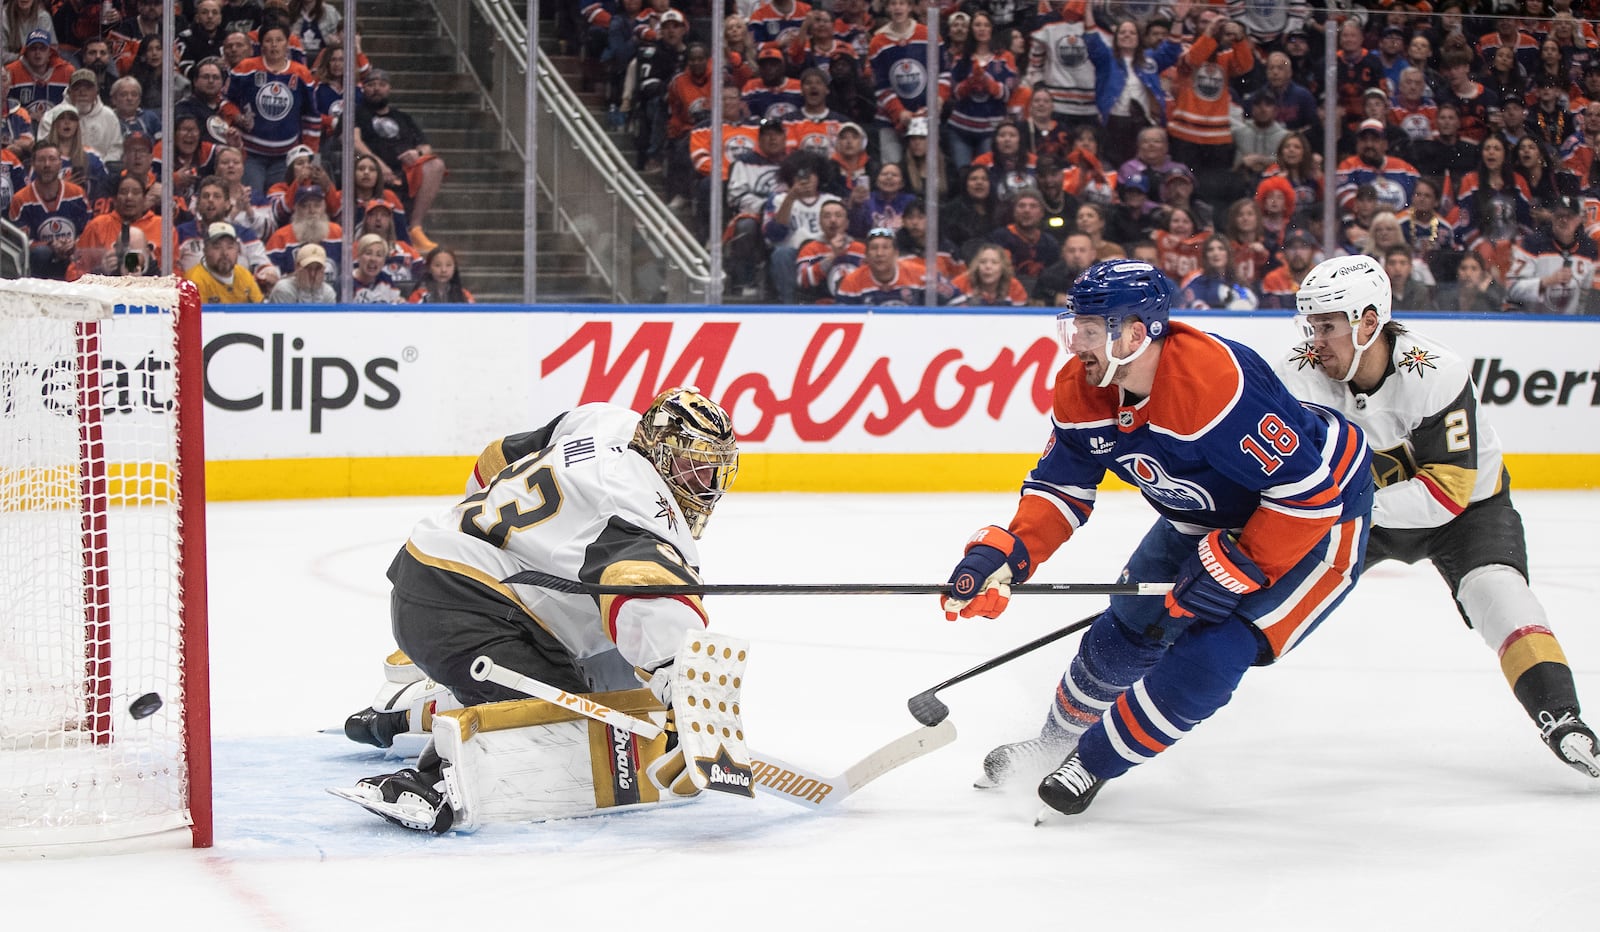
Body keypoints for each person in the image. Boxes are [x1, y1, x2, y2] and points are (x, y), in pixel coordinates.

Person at [942, 259, 1373, 819]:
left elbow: (1308, 495)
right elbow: (1061, 486)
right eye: (1075, 327)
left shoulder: (1212, 386)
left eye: (1092, 330)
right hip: (1205, 517)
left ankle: (1091, 763)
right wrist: (1007, 552)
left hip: (1321, 518)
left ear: (1137, 332)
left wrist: (1234, 567)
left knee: (1216, 650)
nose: (1078, 344)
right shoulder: (1082, 387)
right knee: (1125, 630)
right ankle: (1053, 744)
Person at [338, 388, 740, 832]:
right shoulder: (638, 509)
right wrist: (690, 697)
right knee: (568, 726)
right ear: (660, 454)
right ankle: (432, 782)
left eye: (712, 470)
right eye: (690, 467)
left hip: (460, 581)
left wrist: (480, 525)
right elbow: (646, 592)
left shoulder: (604, 422)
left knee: (627, 700)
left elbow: (495, 458)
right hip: (461, 608)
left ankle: (406, 711)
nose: (704, 484)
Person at [1276, 253, 1598, 778]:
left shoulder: (1435, 371)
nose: (1314, 339)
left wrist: (1331, 512)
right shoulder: (1295, 371)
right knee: (1259, 587)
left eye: (1328, 325)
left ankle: (1563, 719)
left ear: (1369, 323)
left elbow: (1448, 492)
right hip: (1357, 512)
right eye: (1310, 324)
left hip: (1466, 512)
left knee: (1500, 596)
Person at [352, 68, 446, 251]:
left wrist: (416, 154)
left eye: (382, 85)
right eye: (370, 85)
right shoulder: (356, 113)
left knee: (435, 164)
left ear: (389, 89)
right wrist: (379, 166)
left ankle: (415, 228)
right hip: (368, 166)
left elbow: (426, 147)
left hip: (403, 170)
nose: (376, 89)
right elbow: (352, 142)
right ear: (363, 89)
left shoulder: (402, 117)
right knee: (361, 161)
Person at [1507, 194, 1599, 314]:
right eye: (1559, 215)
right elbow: (1513, 289)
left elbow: (1588, 295)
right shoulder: (1532, 244)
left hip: (1573, 325)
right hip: (1534, 322)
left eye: (1570, 216)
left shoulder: (1589, 249)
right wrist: (1547, 281)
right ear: (1552, 217)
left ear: (1579, 219)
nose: (1564, 220)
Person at [186, 221, 264, 304]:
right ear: (205, 250)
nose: (225, 253)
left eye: (230, 247)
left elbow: (261, 310)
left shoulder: (244, 274)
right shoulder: (193, 282)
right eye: (217, 247)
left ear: (238, 249)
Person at [267, 241, 337, 303]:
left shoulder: (328, 292)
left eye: (317, 269)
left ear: (323, 270)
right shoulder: (284, 289)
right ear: (297, 267)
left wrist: (316, 289)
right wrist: (305, 289)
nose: (312, 274)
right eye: (308, 268)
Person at [408, 245, 476, 304]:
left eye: (448, 265)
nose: (443, 270)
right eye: (437, 265)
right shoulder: (418, 296)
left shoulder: (465, 296)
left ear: (454, 268)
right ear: (428, 268)